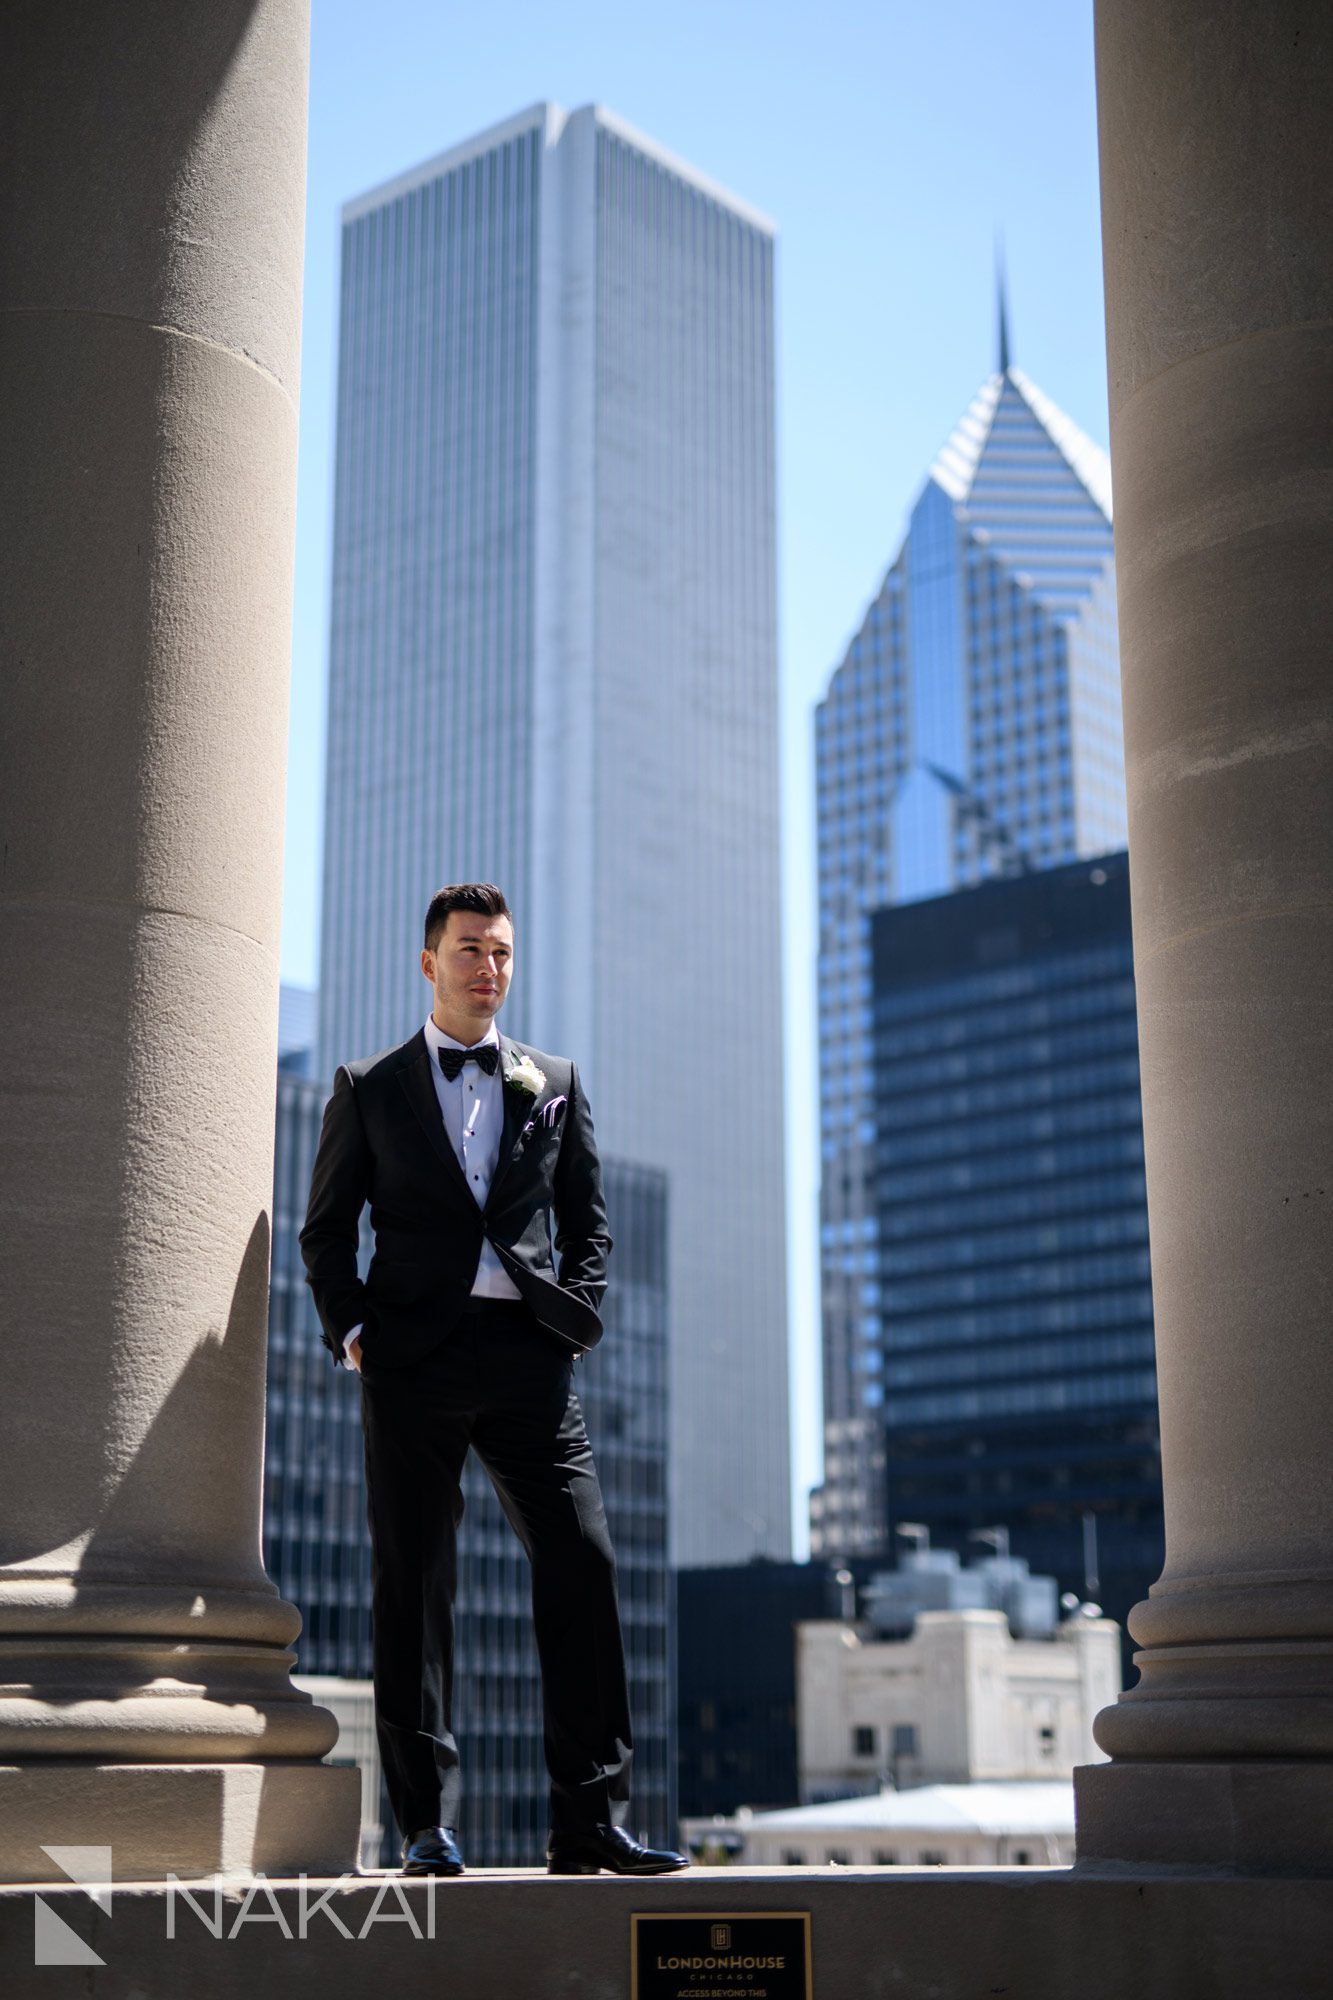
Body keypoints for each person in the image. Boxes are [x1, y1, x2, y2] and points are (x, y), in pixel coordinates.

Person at [299, 882, 687, 1879]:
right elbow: (327, 1228)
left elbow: (587, 1218)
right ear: (430, 962)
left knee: (583, 1561)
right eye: (470, 948)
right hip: (412, 1357)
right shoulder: (367, 1084)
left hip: (528, 1355)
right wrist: (352, 1333)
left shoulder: (553, 1077)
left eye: (503, 951)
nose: (489, 966)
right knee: (415, 1582)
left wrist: (575, 1317)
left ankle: (589, 1821)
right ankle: (426, 1824)